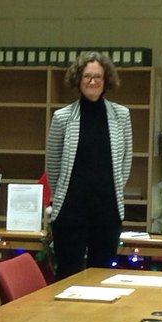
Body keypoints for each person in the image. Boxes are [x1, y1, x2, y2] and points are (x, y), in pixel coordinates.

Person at [45, 51, 133, 279]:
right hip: (70, 212)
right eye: (87, 76)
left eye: (98, 77)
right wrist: (61, 197)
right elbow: (52, 164)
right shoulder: (62, 117)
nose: (93, 81)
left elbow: (126, 160)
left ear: (106, 81)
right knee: (67, 276)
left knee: (101, 277)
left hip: (107, 210)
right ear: (78, 79)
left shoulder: (121, 115)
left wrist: (112, 190)